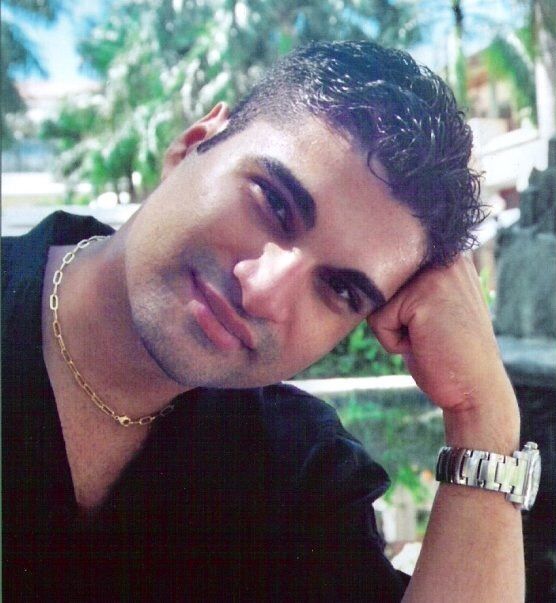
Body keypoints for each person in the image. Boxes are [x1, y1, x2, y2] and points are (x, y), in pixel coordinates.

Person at [3, 41, 525, 601]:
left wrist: (482, 416)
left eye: (340, 290)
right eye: (274, 203)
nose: (262, 292)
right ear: (192, 145)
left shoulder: (296, 471)